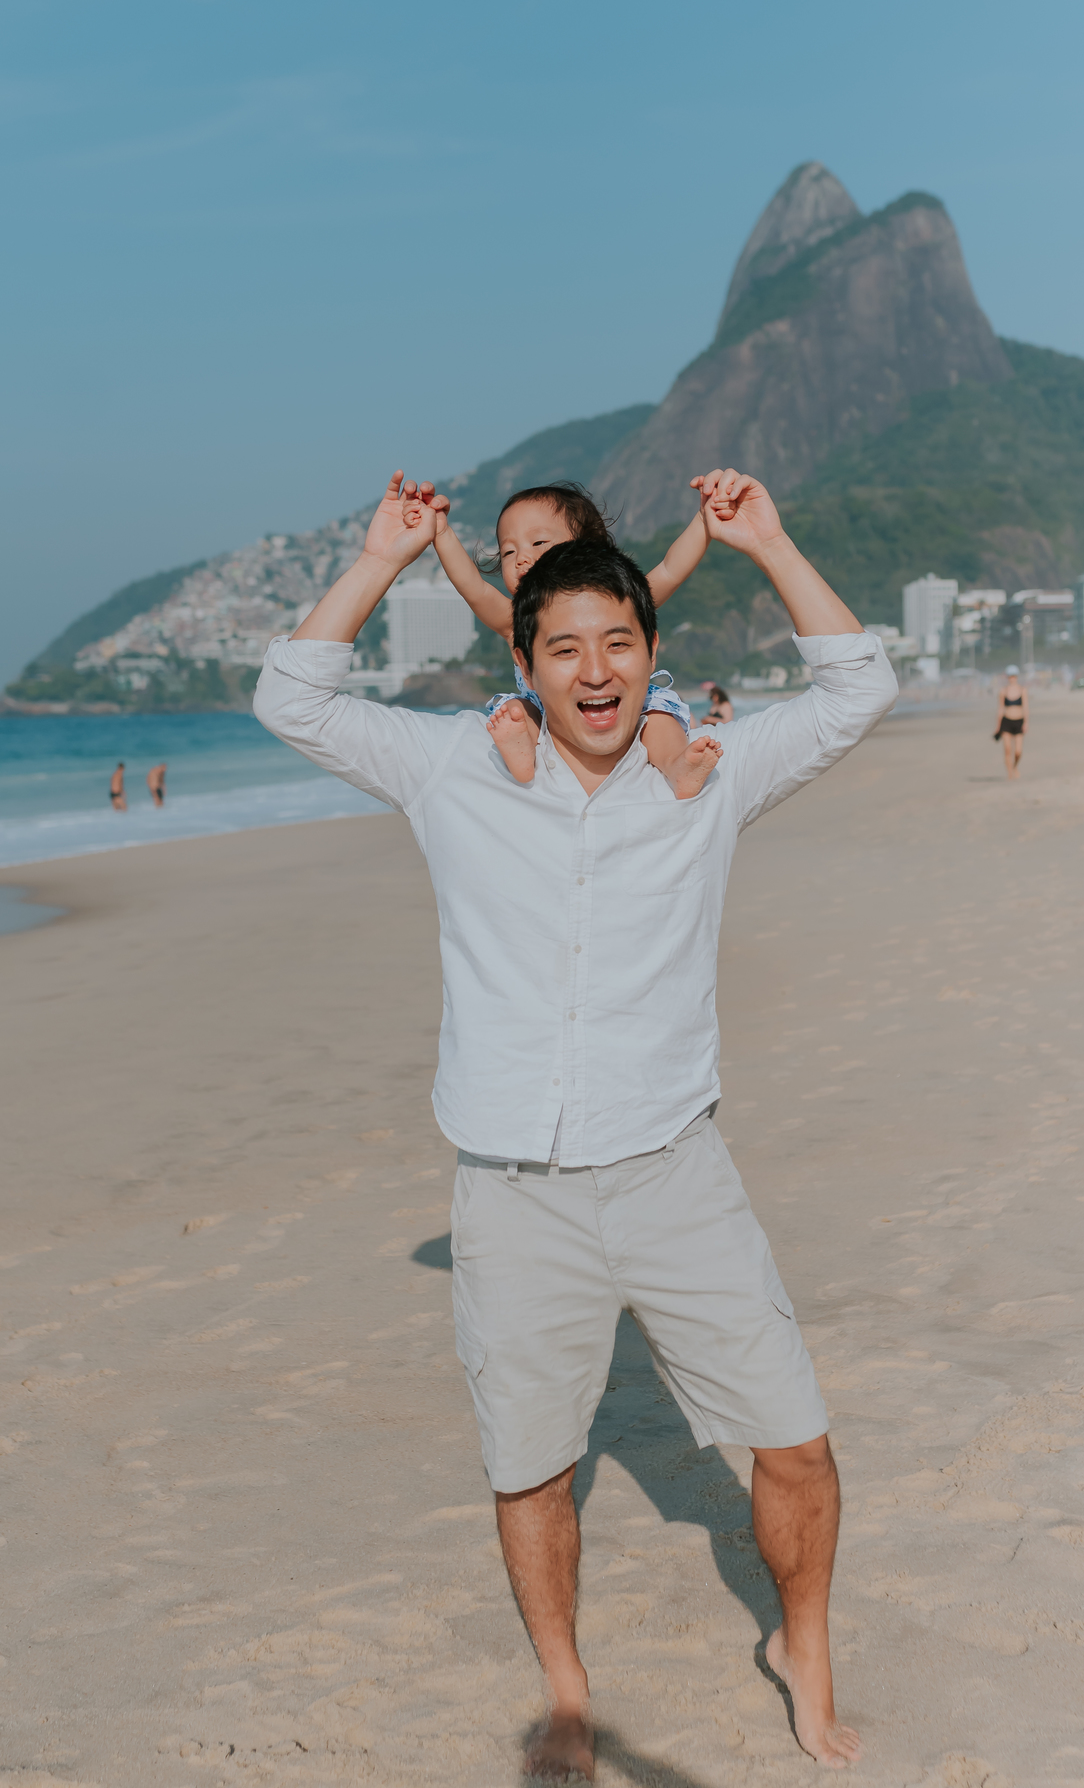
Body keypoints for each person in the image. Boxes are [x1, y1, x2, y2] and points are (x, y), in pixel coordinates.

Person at [253, 464, 897, 1778]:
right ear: (527, 663)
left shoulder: (705, 776)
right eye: (566, 648)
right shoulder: (451, 770)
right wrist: (381, 556)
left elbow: (857, 688)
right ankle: (563, 1681)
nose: (595, 671)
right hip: (514, 1188)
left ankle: (803, 1643)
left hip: (676, 1172)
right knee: (533, 1467)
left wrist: (766, 538)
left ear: (652, 656)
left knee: (797, 1446)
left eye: (619, 644)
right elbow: (291, 696)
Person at [428, 481, 723, 799]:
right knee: (517, 710)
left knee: (658, 719)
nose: (521, 559)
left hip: (629, 705)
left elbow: (670, 569)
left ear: (586, 548)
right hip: (546, 711)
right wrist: (441, 532)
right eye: (508, 551)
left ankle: (677, 766)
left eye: (538, 542)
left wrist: (704, 520)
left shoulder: (618, 598)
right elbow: (474, 587)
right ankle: (522, 750)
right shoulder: (518, 620)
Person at [994, 665, 1028, 779]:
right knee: (1007, 749)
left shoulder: (1022, 690)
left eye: (1013, 676)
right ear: (1007, 677)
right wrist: (998, 726)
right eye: (1010, 676)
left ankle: (1015, 767)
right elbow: (1000, 709)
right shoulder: (1003, 691)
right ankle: (1009, 772)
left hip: (1019, 721)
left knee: (1018, 751)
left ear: (1016, 677)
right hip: (1006, 722)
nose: (1011, 678)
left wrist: (1026, 723)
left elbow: (1026, 708)